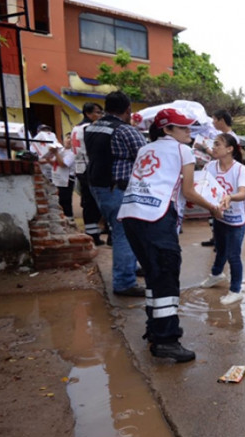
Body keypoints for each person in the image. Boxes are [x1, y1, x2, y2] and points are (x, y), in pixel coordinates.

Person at [118, 108, 222, 362]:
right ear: (167, 129)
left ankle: (154, 329)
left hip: (131, 215)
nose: (189, 132)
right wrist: (213, 207)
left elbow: (164, 184)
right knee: (165, 274)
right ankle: (166, 340)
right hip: (155, 217)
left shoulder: (145, 148)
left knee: (154, 274)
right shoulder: (181, 150)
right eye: (183, 128)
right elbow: (188, 190)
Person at [85, 90, 147, 297]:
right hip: (116, 189)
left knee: (124, 231)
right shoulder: (124, 131)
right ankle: (124, 282)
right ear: (128, 109)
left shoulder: (92, 127)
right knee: (124, 234)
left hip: (98, 186)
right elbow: (145, 156)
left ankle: (129, 267)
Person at [198, 133, 245, 305]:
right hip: (219, 216)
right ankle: (216, 274)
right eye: (213, 144)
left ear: (229, 149)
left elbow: (243, 194)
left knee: (233, 255)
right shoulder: (210, 167)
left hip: (236, 219)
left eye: (217, 144)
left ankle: (236, 290)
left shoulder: (241, 170)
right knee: (220, 249)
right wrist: (212, 209)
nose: (213, 147)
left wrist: (229, 198)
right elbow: (203, 189)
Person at [199, 109, 240, 246]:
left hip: (227, 177)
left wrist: (205, 148)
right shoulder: (221, 135)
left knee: (224, 209)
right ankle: (216, 237)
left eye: (214, 119)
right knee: (214, 207)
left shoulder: (231, 138)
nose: (212, 122)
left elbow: (219, 156)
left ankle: (223, 241)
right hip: (217, 175)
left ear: (221, 120)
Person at [71, 102, 105, 245]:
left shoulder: (76, 128)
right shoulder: (89, 128)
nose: (100, 116)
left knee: (88, 203)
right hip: (89, 168)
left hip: (79, 168)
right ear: (88, 114)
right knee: (94, 203)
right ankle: (94, 236)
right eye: (97, 112)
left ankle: (92, 233)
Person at [43, 133, 76, 218]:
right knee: (58, 199)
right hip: (57, 178)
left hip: (67, 179)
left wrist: (56, 153)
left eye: (71, 139)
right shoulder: (61, 150)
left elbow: (63, 164)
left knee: (65, 200)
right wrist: (48, 157)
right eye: (67, 138)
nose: (69, 140)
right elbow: (54, 162)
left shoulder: (73, 152)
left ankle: (69, 218)